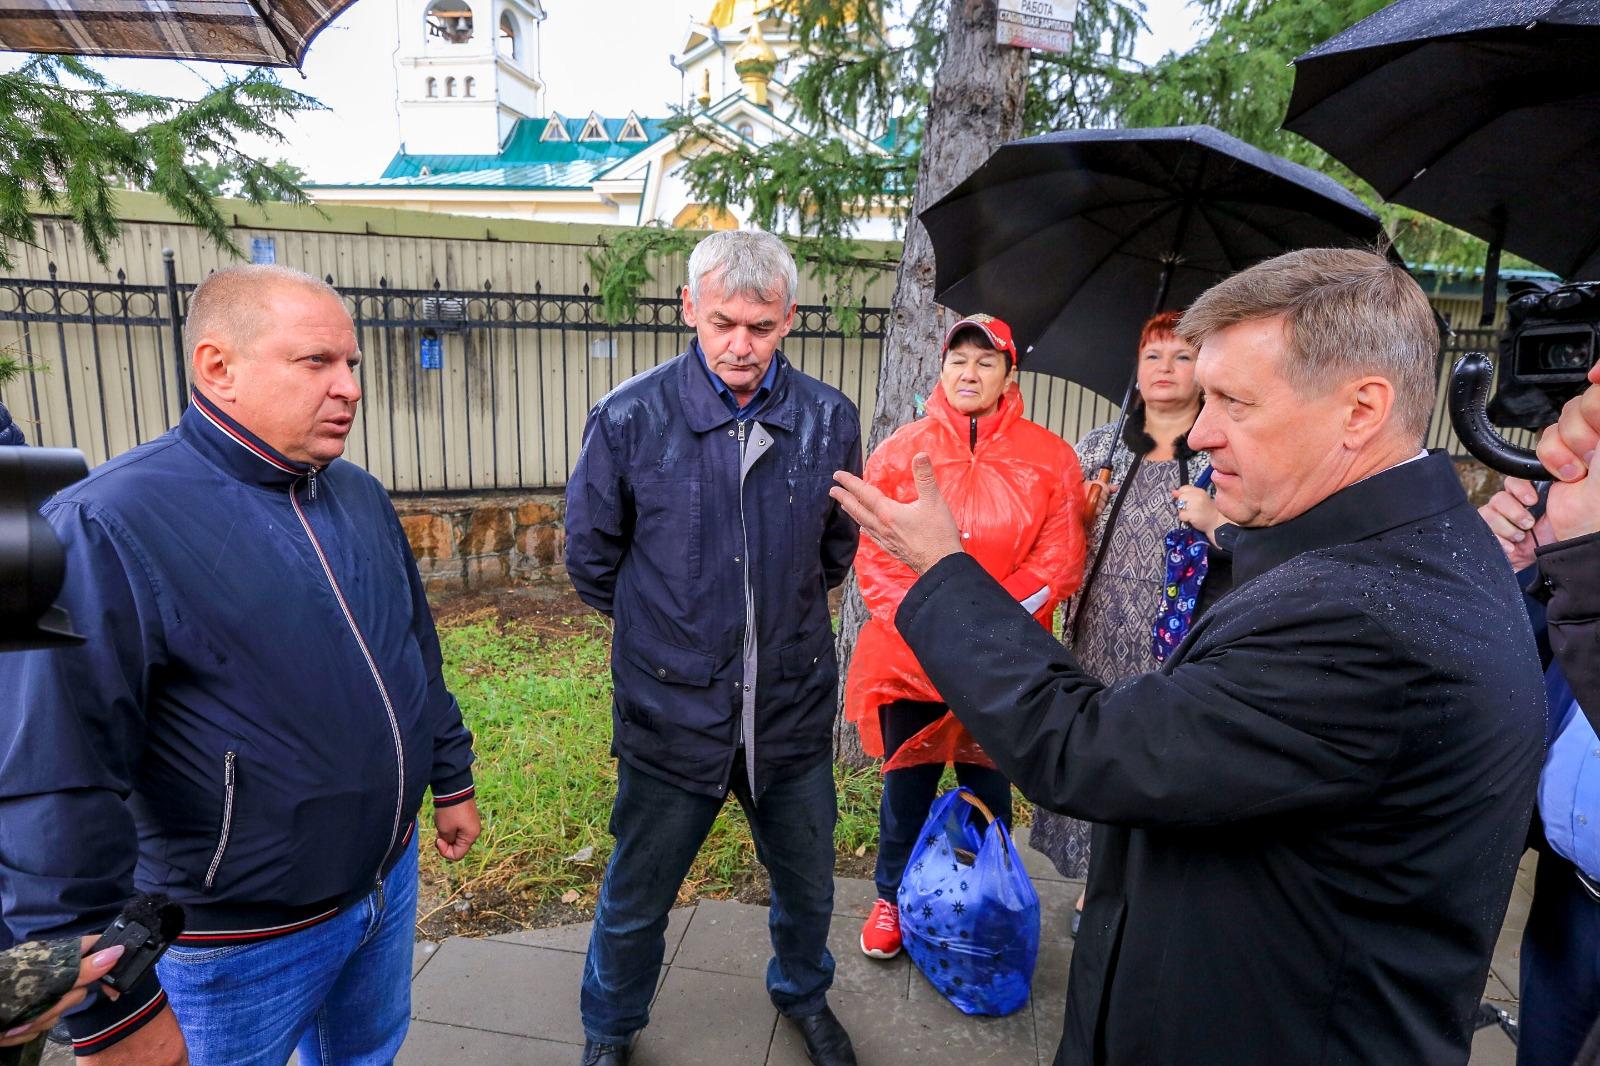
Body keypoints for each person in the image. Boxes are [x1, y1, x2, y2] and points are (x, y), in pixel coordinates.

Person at [829, 247, 1546, 1065]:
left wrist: (945, 573)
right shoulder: (1388, 545)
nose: (1201, 432)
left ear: (1361, 408)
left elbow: (1087, 750)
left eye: (1234, 402)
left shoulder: (1370, 621)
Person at [0, 265, 482, 1066]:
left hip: (383, 889)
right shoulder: (106, 524)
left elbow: (412, 650)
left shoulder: (356, 494)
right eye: (316, 363)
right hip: (235, 941)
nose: (350, 388)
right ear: (216, 367)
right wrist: (107, 1009)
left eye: (352, 364)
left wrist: (450, 776)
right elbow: (57, 781)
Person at [565, 230, 862, 1066]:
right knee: (636, 895)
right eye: (724, 321)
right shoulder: (630, 417)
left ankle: (804, 994)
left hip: (790, 710)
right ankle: (609, 1029)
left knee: (807, 886)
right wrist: (671, 634)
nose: (741, 344)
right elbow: (592, 558)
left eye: (761, 327)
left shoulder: (827, 419)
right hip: (673, 711)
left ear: (789, 320)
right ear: (688, 307)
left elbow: (833, 553)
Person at [842, 312, 1084, 960]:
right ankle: (892, 897)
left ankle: (981, 897)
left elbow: (1059, 560)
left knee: (988, 791)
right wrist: (936, 627)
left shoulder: (1050, 459)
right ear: (942, 369)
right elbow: (878, 558)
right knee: (906, 788)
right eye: (958, 360)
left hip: (1002, 667)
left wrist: (985, 626)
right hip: (910, 663)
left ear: (1009, 373)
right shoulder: (901, 452)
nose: (969, 372)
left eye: (985, 360)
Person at [1028, 310, 1219, 935]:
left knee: (1154, 758)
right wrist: (1078, 519)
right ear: (1135, 369)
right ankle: (1094, 883)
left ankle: (1143, 881)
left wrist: (1214, 516)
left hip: (1173, 637)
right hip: (1099, 627)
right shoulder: (1100, 448)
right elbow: (1052, 544)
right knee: (1099, 750)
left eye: (1182, 356)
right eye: (1153, 356)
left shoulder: (1222, 456)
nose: (1165, 369)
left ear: (1205, 369)